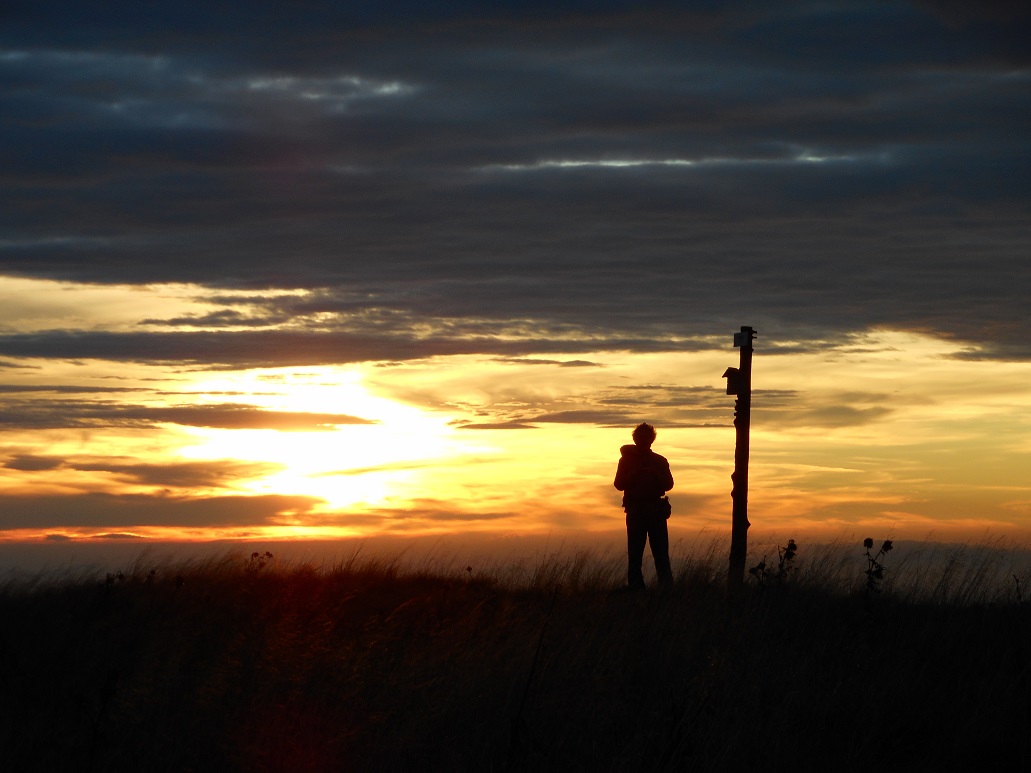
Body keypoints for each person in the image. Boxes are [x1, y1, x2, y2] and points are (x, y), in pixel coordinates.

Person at [613, 422, 674, 591]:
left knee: (661, 554)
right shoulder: (625, 460)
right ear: (635, 439)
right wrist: (634, 473)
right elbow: (618, 484)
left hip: (655, 511)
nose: (643, 440)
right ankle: (636, 588)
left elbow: (669, 484)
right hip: (636, 510)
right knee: (635, 554)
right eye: (640, 437)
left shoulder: (660, 461)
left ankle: (666, 588)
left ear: (652, 439)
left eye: (647, 437)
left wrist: (655, 474)